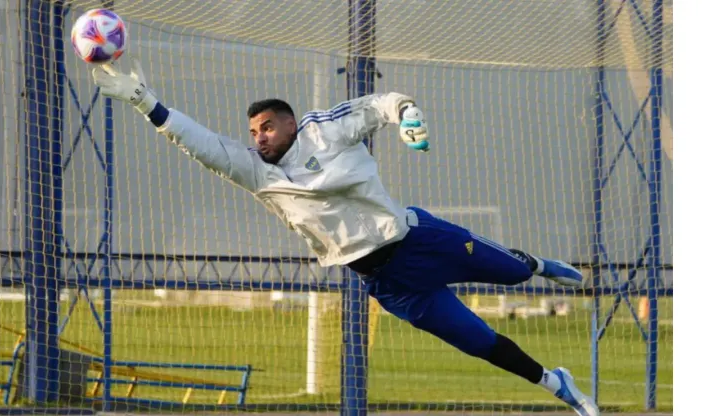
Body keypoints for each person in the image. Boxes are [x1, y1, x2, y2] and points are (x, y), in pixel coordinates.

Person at [92, 58, 599, 416]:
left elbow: (384, 102)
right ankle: (559, 386)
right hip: (390, 283)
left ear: (290, 123)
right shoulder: (255, 172)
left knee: (512, 273)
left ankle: (535, 264)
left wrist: (408, 117)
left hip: (419, 239)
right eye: (252, 132)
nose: (258, 138)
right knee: (479, 343)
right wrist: (143, 100)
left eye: (267, 127)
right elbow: (198, 142)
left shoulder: (323, 130)